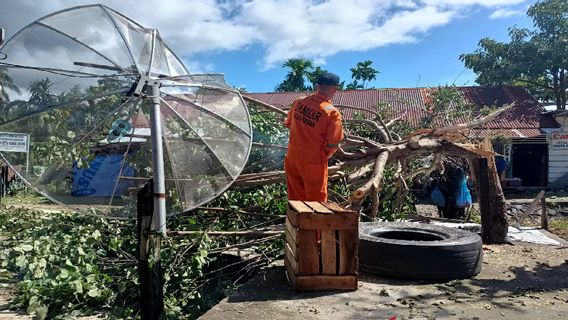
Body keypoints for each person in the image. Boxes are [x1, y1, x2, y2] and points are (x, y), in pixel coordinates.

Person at [284, 72, 343, 201]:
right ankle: (315, 222)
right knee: (317, 202)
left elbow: (288, 124)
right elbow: (333, 143)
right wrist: (323, 156)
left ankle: (297, 221)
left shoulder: (298, 102)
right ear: (335, 89)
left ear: (317, 86)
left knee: (295, 199)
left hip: (292, 156)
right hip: (313, 160)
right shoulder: (331, 112)